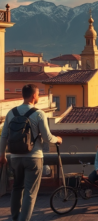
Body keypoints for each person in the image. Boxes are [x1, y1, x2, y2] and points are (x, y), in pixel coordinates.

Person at [0, 84, 62, 221]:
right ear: (34, 96)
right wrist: (57, 139)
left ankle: (15, 218)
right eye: (38, 94)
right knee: (30, 192)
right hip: (33, 157)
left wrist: (2, 155)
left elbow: (3, 135)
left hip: (15, 157)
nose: (39, 96)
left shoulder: (11, 113)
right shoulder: (39, 113)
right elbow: (47, 137)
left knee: (16, 188)